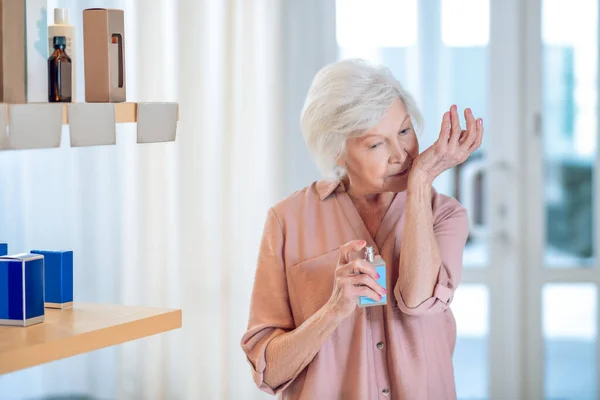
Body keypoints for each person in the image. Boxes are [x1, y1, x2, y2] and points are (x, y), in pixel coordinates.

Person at [241, 58, 483, 399]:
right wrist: (333, 310)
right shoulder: (287, 220)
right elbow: (269, 372)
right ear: (338, 151)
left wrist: (420, 183)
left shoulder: (444, 215)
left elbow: (418, 300)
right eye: (375, 144)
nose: (401, 154)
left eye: (404, 131)